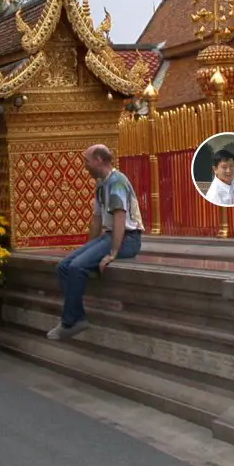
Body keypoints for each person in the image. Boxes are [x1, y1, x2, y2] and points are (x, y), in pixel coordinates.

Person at [48, 145, 143, 340]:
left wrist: (113, 253)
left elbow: (119, 218)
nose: (85, 166)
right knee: (64, 266)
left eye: (87, 161)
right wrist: (88, 250)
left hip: (127, 239)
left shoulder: (117, 182)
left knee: (76, 267)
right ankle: (78, 317)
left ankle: (69, 322)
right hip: (108, 236)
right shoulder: (101, 184)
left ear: (99, 160)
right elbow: (97, 219)